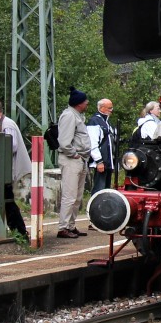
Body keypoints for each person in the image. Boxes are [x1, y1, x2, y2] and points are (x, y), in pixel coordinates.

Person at [0, 99, 30, 238]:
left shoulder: (7, 124)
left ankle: (20, 233)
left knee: (7, 201)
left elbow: (11, 145)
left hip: (6, 170)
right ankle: (16, 231)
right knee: (4, 200)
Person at [57, 87, 92, 238]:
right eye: (85, 102)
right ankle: (63, 227)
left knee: (77, 196)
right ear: (78, 103)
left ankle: (71, 225)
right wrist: (74, 154)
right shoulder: (69, 116)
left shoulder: (77, 115)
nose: (87, 104)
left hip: (80, 159)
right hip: (72, 159)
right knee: (69, 195)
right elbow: (64, 141)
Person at [86, 98, 118, 193]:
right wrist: (99, 161)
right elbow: (92, 143)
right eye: (109, 108)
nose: (111, 110)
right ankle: (94, 207)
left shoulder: (107, 122)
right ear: (102, 108)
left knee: (106, 189)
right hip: (101, 163)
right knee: (99, 189)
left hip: (108, 162)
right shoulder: (94, 121)